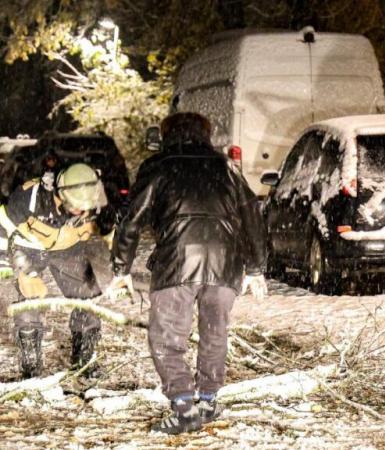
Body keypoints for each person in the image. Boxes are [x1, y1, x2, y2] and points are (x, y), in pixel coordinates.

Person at [109, 112, 267, 435]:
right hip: (225, 262)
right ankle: (208, 399)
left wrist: (120, 268)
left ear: (167, 135)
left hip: (176, 262)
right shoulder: (225, 167)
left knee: (167, 337)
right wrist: (255, 267)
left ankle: (183, 406)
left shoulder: (158, 165)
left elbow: (132, 219)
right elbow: (252, 213)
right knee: (214, 331)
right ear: (206, 135)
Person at [1, 163, 109, 378]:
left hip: (69, 248)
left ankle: (84, 359)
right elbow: (4, 233)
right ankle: (31, 363)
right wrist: (24, 271)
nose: (82, 211)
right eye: (76, 206)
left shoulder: (95, 195)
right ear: (60, 193)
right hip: (28, 247)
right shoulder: (28, 196)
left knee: (88, 296)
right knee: (29, 298)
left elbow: (113, 230)